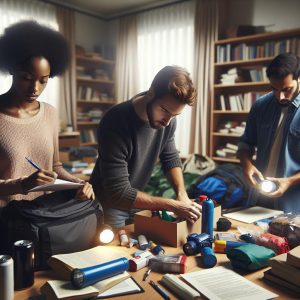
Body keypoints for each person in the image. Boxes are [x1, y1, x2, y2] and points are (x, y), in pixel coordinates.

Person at [90, 66, 202, 228]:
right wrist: (172, 205)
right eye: (165, 111)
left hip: (137, 202)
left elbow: (170, 157)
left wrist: (181, 194)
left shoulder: (167, 119)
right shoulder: (115, 122)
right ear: (151, 93)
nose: (167, 121)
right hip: (108, 205)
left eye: (174, 115)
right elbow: (118, 192)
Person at [0, 20, 95, 208]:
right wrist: (23, 184)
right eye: (27, 78)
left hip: (45, 215)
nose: (35, 88)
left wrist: (78, 183)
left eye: (43, 81)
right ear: (12, 69)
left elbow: (55, 167)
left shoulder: (50, 114)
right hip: (6, 220)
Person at [237, 53, 300, 213]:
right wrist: (247, 165)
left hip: (294, 202)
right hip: (260, 197)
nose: (280, 96)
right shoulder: (260, 106)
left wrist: (290, 181)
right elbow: (246, 143)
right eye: (274, 89)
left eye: (287, 89)